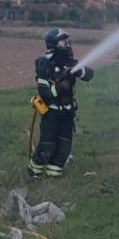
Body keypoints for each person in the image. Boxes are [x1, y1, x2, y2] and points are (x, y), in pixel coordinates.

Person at [29, 28, 94, 178]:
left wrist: (79, 71)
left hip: (67, 112)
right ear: (54, 44)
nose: (67, 44)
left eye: (67, 41)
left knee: (64, 146)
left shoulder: (71, 62)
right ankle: (34, 173)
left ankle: (54, 174)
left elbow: (89, 75)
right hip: (51, 112)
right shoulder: (44, 64)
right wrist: (59, 88)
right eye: (63, 41)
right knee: (47, 145)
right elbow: (43, 91)